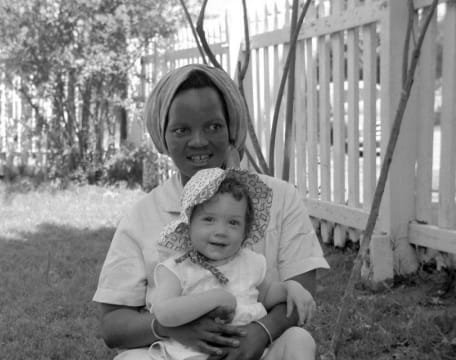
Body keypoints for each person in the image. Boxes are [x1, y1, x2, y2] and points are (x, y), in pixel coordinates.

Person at [93, 63, 330, 360]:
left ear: (231, 129)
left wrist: (261, 332)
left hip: (258, 351)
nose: (199, 141)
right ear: (162, 137)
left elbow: (301, 293)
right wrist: (170, 328)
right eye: (181, 130)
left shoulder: (280, 197)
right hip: (179, 353)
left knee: (298, 339)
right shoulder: (143, 216)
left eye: (213, 126)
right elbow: (113, 325)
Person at [149, 167, 316, 360]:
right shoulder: (177, 268)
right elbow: (163, 312)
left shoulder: (251, 262)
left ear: (245, 231)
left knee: (299, 338)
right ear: (188, 225)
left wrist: (289, 288)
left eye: (233, 223)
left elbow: (267, 294)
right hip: (197, 354)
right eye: (209, 219)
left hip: (254, 352)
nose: (221, 231)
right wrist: (216, 298)